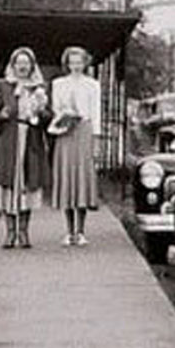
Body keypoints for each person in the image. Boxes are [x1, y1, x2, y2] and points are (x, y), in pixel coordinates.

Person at [0, 47, 50, 248]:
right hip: (10, 139)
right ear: (13, 65)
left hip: (30, 139)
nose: (22, 66)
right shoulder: (3, 86)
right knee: (9, 184)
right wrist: (1, 116)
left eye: (26, 63)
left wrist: (41, 113)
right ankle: (9, 232)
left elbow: (48, 117)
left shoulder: (39, 88)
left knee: (27, 183)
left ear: (32, 66)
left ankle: (23, 232)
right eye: (19, 63)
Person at [49, 45, 101, 246]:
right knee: (67, 178)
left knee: (82, 178)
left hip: (84, 130)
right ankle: (68, 230)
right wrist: (65, 115)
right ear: (67, 63)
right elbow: (56, 108)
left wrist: (96, 140)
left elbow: (95, 113)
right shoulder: (58, 84)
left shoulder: (92, 85)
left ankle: (81, 230)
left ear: (85, 63)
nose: (76, 65)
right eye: (72, 61)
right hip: (65, 131)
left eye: (79, 61)